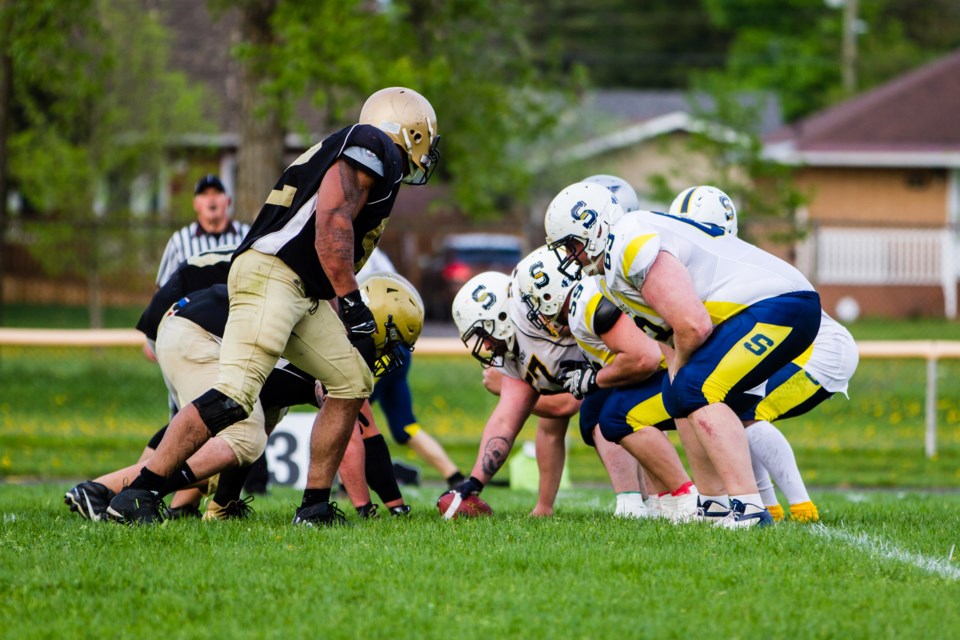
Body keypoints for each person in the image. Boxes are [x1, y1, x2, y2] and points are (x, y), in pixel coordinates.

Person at [105, 86, 439, 526]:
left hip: (302, 288)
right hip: (274, 274)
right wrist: (354, 302)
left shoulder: (376, 158)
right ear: (411, 130)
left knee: (351, 381)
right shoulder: (374, 144)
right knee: (235, 395)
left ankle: (314, 506)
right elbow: (331, 223)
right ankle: (139, 492)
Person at [545, 181, 822, 527]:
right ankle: (715, 504)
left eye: (572, 244)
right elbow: (672, 343)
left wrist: (686, 376)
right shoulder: (610, 275)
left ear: (596, 227)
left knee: (696, 387)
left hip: (781, 304)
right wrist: (680, 379)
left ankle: (749, 509)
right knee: (681, 393)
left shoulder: (630, 240)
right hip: (761, 310)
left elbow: (693, 324)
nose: (570, 256)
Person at [670, 185, 859, 522]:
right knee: (733, 409)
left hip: (821, 351)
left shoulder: (718, 265)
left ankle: (801, 508)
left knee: (746, 412)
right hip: (799, 346)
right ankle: (766, 505)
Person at [442, 250, 650, 519]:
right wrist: (474, 483)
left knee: (604, 415)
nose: (485, 346)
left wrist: (503, 388)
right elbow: (505, 421)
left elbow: (565, 405)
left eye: (482, 333)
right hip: (596, 363)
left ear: (500, 317)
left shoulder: (536, 318)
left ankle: (641, 500)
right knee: (565, 417)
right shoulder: (516, 343)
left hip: (624, 351)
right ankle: (547, 506)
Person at [516, 247, 702, 521]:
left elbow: (644, 358)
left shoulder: (586, 302)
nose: (539, 313)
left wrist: (594, 378)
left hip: (682, 369)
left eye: (537, 300)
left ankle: (685, 495)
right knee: (602, 411)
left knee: (617, 415)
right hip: (676, 365)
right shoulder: (589, 293)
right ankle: (663, 499)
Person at [357, 248, 466, 488]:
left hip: (377, 347)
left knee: (348, 417)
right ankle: (455, 477)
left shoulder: (346, 246)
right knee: (405, 426)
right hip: (400, 345)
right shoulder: (376, 251)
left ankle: (352, 485)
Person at [155, 174, 250, 288]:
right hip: (194, 304)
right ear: (195, 204)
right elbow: (163, 289)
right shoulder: (179, 241)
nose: (211, 198)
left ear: (228, 201)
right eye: (205, 194)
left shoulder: (246, 235)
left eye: (216, 193)